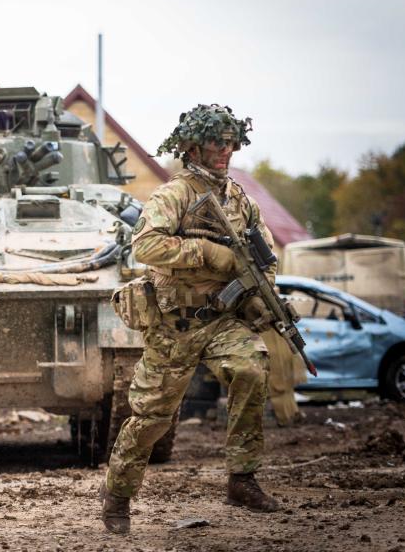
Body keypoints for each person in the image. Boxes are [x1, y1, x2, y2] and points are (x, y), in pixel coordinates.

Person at [102, 104, 279, 534]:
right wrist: (206, 253)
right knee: (151, 417)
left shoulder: (239, 200)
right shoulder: (174, 195)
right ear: (193, 147)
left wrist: (259, 291)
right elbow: (146, 248)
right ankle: (118, 497)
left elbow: (265, 258)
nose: (226, 150)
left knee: (251, 367)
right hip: (175, 323)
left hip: (221, 318)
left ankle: (242, 478)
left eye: (231, 142)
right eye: (217, 142)